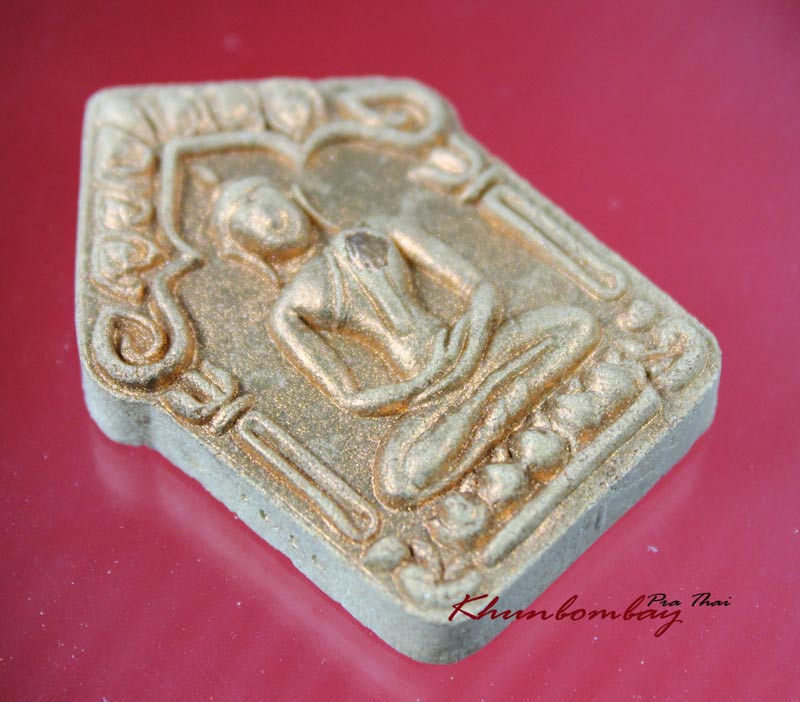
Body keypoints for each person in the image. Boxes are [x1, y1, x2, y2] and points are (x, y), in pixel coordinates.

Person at [211, 176, 599, 507]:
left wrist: (472, 339)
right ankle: (499, 410)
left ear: (292, 195)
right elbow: (351, 398)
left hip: (470, 347)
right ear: (246, 251)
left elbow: (480, 288)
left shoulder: (379, 228)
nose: (266, 215)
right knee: (398, 482)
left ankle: (487, 420)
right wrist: (417, 388)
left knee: (576, 324)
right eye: (245, 213)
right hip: (423, 397)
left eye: (261, 197)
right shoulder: (290, 310)